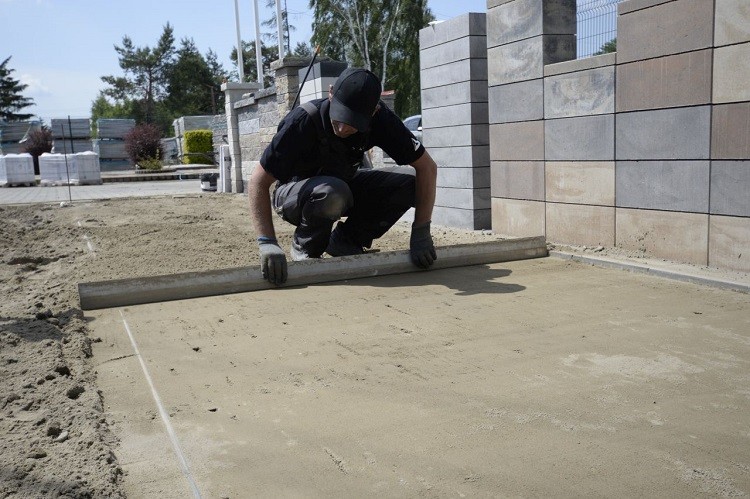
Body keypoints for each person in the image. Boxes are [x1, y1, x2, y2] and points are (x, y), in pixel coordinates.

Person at [249, 67, 438, 285]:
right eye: (339, 116)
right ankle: (306, 249)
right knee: (332, 192)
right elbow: (258, 181)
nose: (342, 128)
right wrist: (267, 242)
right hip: (292, 194)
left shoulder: (382, 120)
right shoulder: (302, 121)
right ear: (331, 93)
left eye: (353, 123)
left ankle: (346, 240)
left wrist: (421, 230)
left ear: (374, 112)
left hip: (341, 187)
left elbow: (427, 168)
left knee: (409, 184)